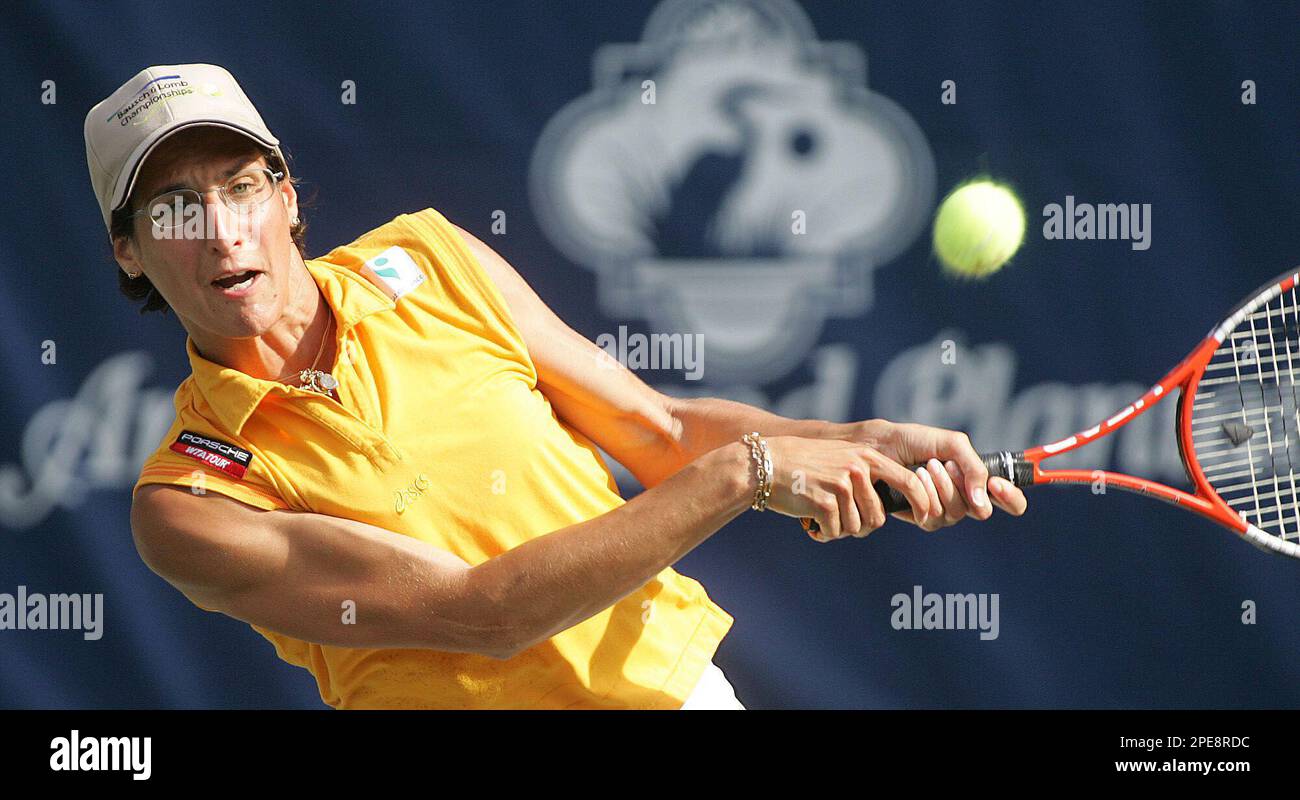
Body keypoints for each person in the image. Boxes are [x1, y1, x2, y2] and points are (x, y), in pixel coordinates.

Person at [85, 64, 1027, 710]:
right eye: (174, 207)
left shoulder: (427, 256)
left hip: (671, 692)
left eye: (242, 187)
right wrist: (746, 473)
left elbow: (655, 429)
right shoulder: (190, 503)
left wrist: (859, 441)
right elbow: (484, 616)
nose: (221, 231)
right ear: (128, 251)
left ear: (286, 196)